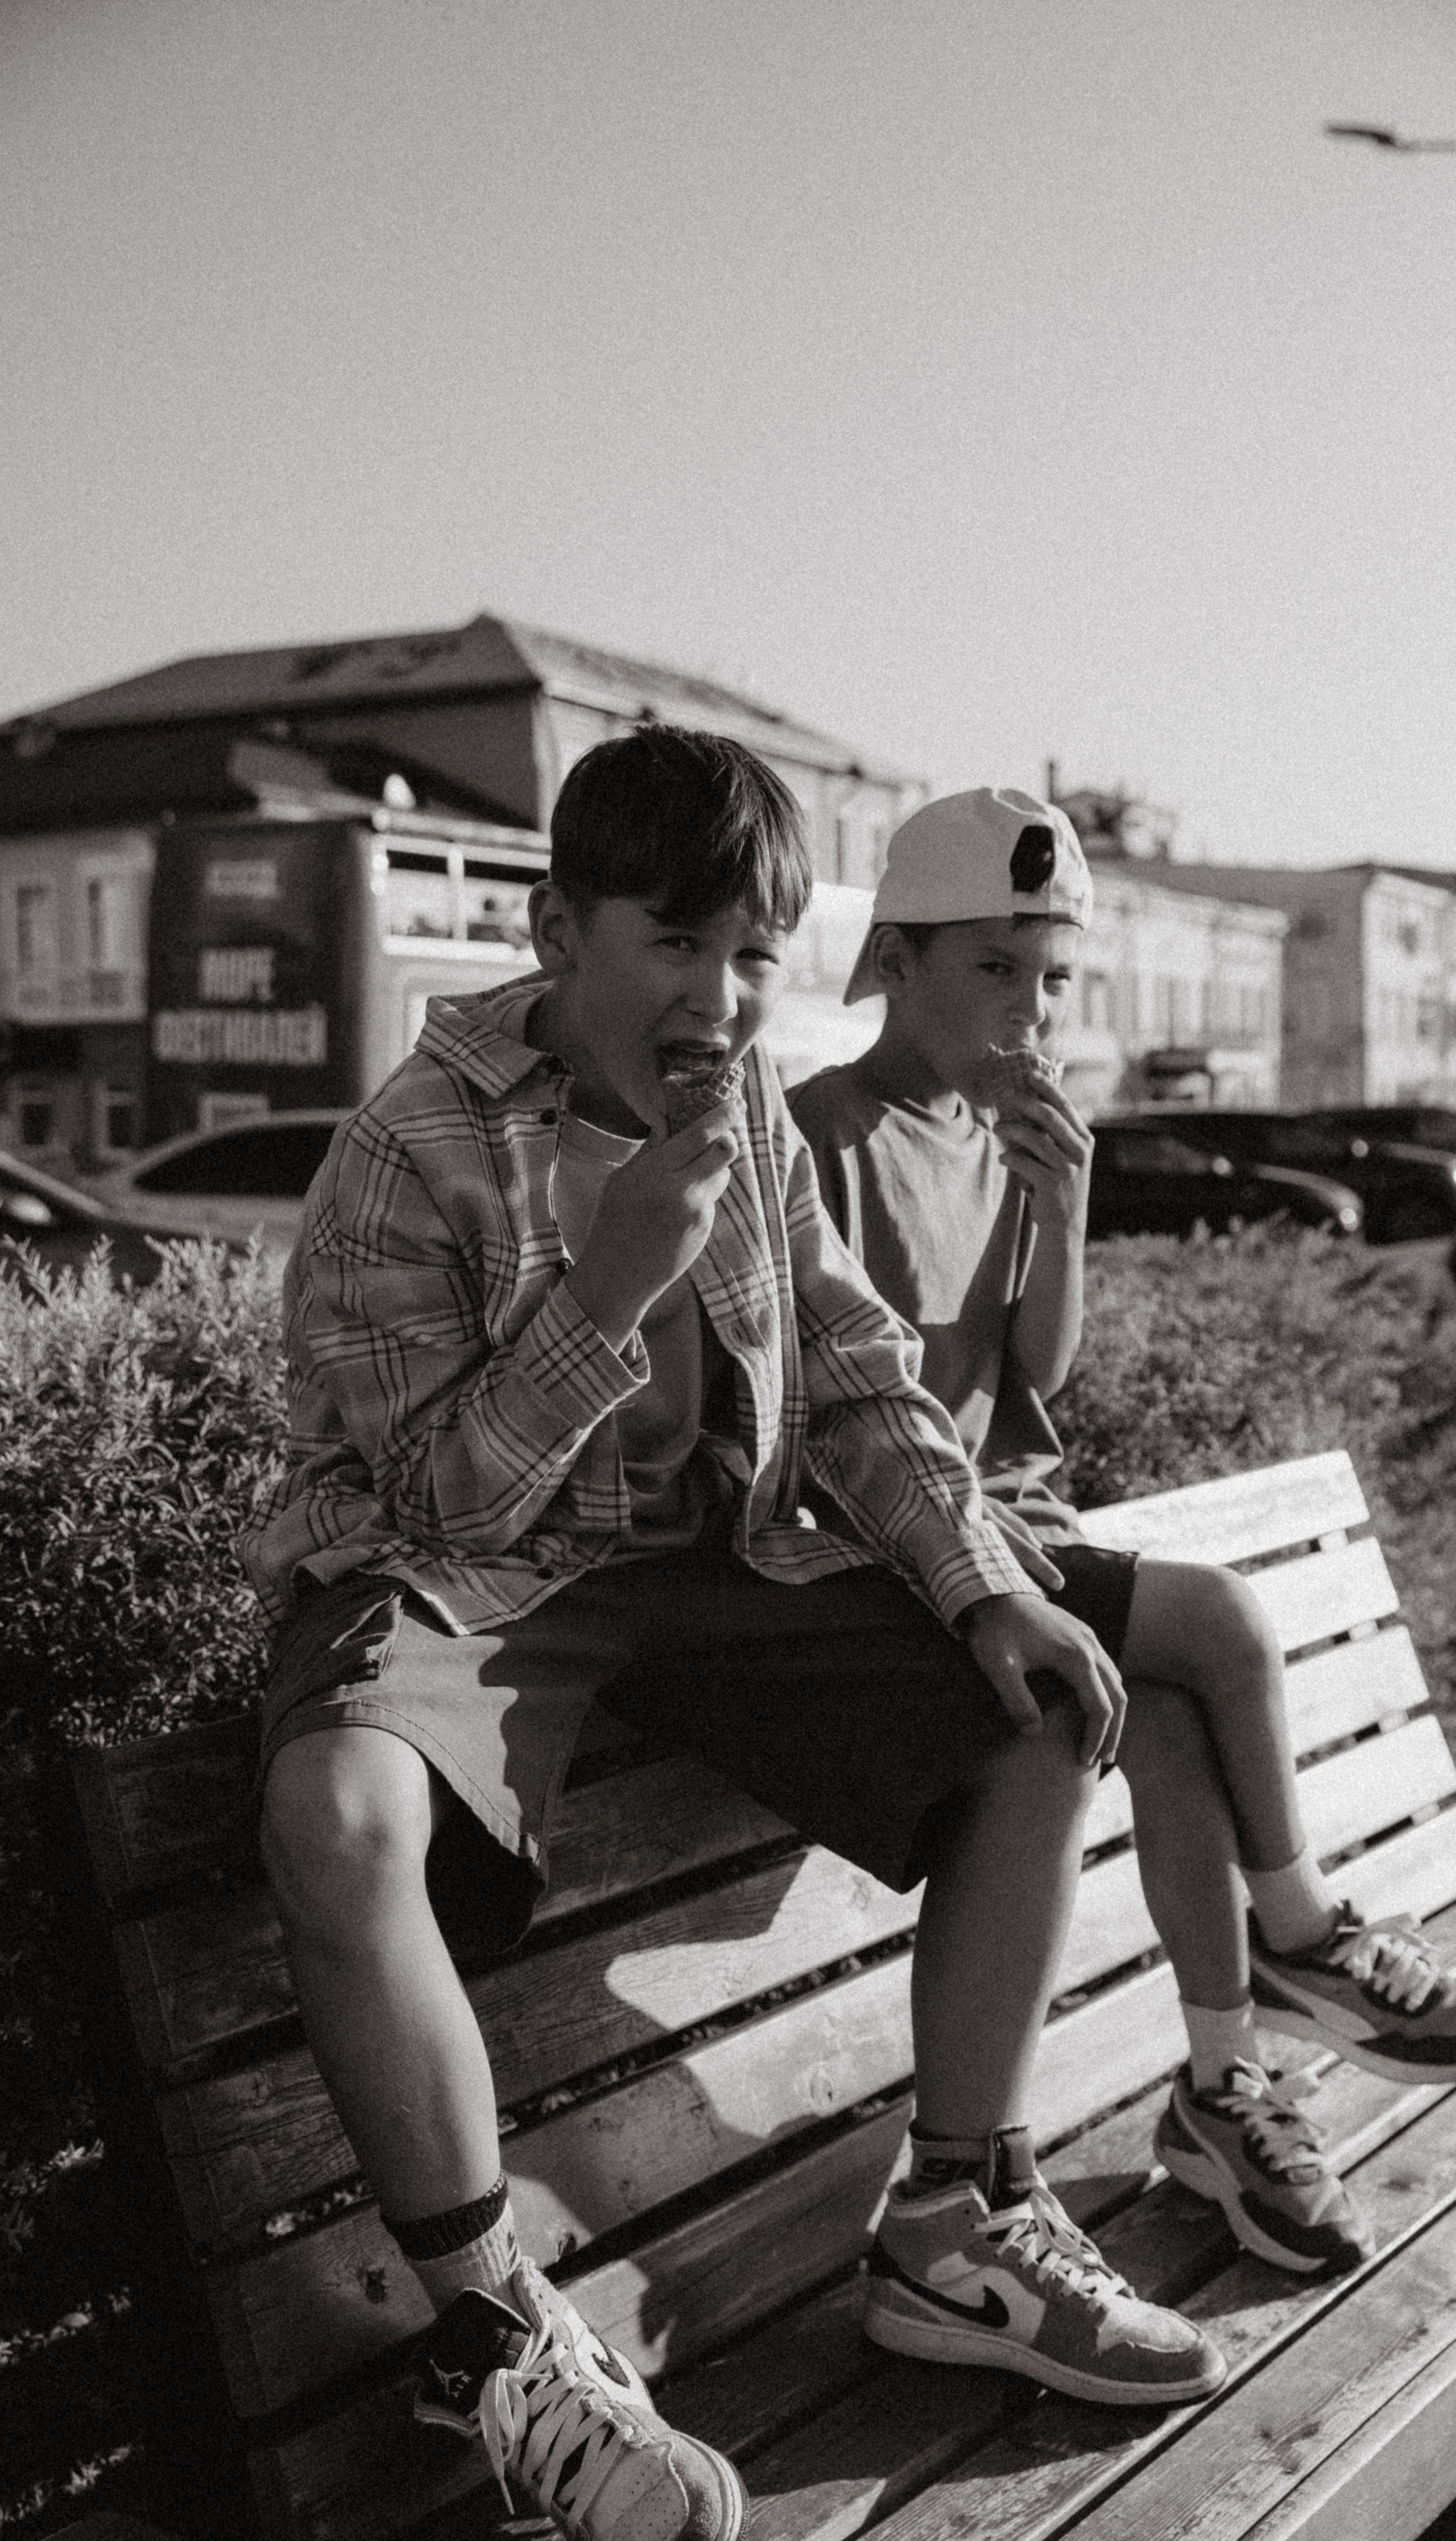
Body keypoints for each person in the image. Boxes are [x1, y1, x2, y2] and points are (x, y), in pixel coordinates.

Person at [243, 731, 1226, 2541]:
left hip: (713, 1564)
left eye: (759, 952)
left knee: (1032, 1695)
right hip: (467, 1570)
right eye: (675, 944)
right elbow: (448, 1502)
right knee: (336, 1816)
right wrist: (615, 1276)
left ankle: (948, 2224)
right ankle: (502, 2350)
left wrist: (984, 1578)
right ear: (558, 928)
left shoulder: (750, 1107)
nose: (721, 994)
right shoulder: (412, 1145)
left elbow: (854, 1382)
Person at [789, 785, 1456, 2284]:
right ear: (897, 962)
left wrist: (1065, 1203)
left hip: (1028, 1521)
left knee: (1173, 1700)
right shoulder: (823, 1137)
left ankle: (1224, 2077)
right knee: (1226, 1626)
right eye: (991, 968)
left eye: (1050, 978)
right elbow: (859, 1407)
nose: (1026, 1008)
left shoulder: (1012, 1133)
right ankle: (1300, 1933)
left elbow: (1038, 1373)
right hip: (935, 1547)